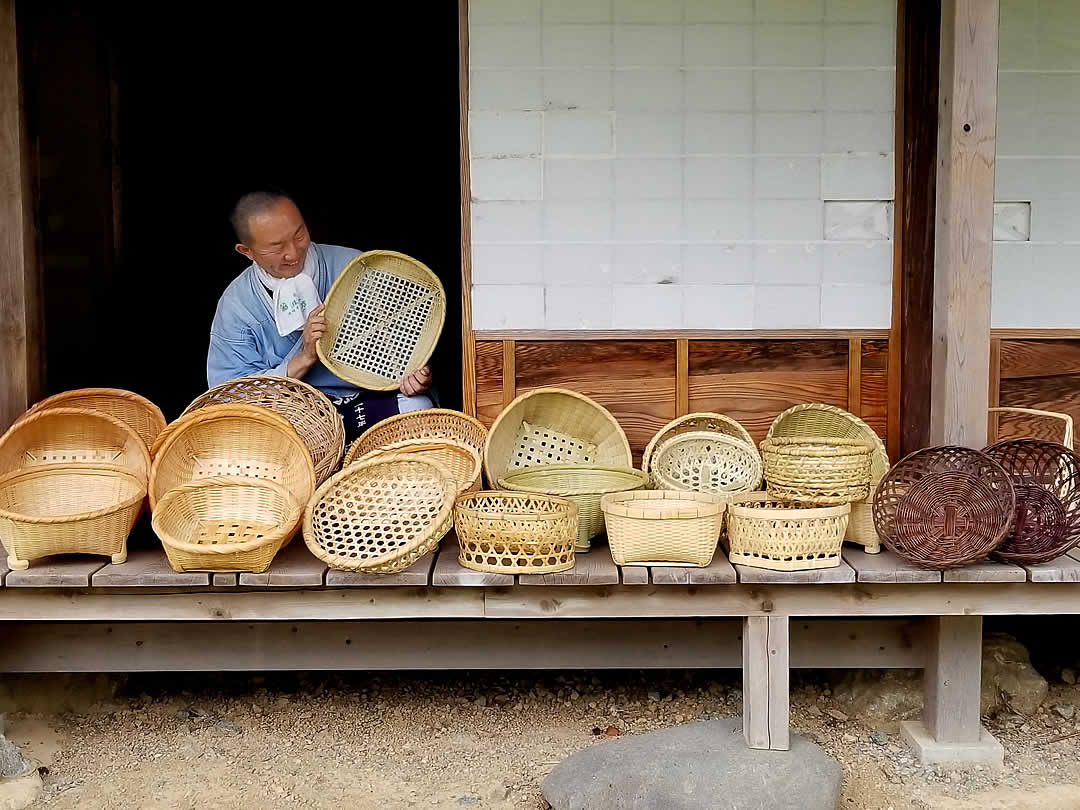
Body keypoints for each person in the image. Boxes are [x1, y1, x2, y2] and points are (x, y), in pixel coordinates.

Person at [207, 189, 435, 441]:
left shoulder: (353, 267)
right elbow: (229, 398)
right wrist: (303, 358)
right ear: (246, 251)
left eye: (299, 235)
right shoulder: (237, 306)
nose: (293, 253)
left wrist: (414, 376)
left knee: (418, 410)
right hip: (298, 415)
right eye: (276, 247)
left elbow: (408, 339)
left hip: (368, 399)